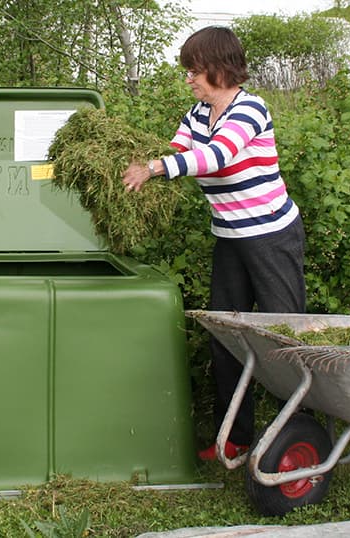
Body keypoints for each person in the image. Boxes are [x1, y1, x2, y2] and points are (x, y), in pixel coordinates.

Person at [121, 26, 306, 461]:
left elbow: (215, 156)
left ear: (220, 68)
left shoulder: (250, 110)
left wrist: (154, 168)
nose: (189, 78)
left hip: (271, 238)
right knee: (227, 338)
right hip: (229, 240)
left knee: (285, 338)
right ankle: (235, 437)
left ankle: (297, 438)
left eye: (195, 70)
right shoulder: (196, 115)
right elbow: (178, 149)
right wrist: (137, 165)